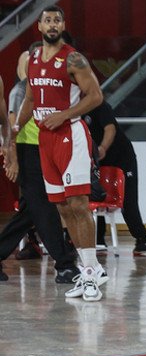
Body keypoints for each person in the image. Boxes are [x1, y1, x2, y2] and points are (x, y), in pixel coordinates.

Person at [14, 6, 105, 300]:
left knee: (78, 204)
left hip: (71, 135)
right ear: (38, 26)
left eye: (57, 20)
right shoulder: (33, 59)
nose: (52, 24)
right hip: (45, 138)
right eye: (47, 20)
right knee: (63, 208)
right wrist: (15, 129)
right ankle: (86, 269)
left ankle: (91, 272)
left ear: (63, 24)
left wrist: (65, 114)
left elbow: (96, 96)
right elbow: (29, 98)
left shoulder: (73, 57)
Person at [0, 45, 77, 284]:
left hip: (47, 146)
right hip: (28, 148)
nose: (29, 64)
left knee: (32, 209)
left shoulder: (50, 85)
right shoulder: (20, 90)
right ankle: (64, 264)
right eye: (25, 60)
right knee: (42, 206)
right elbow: (11, 122)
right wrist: (11, 154)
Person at [85, 99, 146, 256]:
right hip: (96, 157)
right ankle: (98, 238)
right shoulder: (72, 109)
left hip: (121, 156)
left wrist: (103, 148)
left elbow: (110, 129)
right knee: (96, 195)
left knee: (128, 199)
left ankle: (141, 238)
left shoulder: (98, 104)